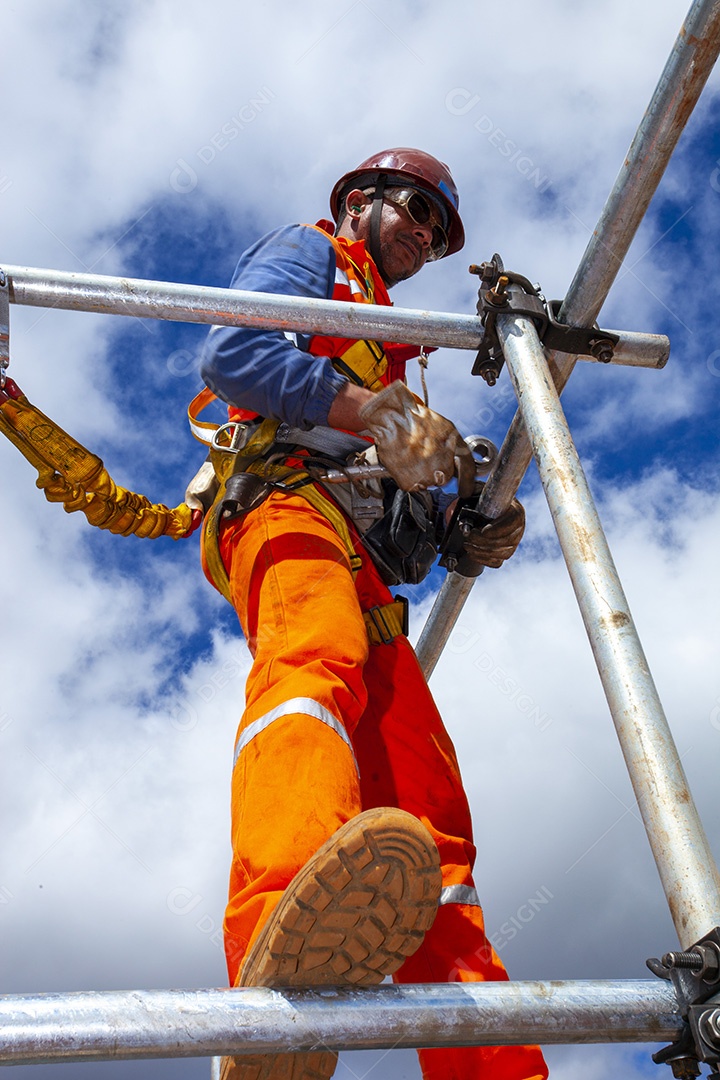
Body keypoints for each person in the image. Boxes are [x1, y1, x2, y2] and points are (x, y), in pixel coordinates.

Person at [196, 148, 549, 1080]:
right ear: (360, 201)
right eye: (417, 211)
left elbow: (395, 479)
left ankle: (491, 1064)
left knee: (430, 814)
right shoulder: (310, 259)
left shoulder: (392, 339)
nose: (426, 237)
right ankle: (281, 920)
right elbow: (232, 354)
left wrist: (460, 527)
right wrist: (369, 410)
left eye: (438, 231)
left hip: (366, 563)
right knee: (311, 677)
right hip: (284, 506)